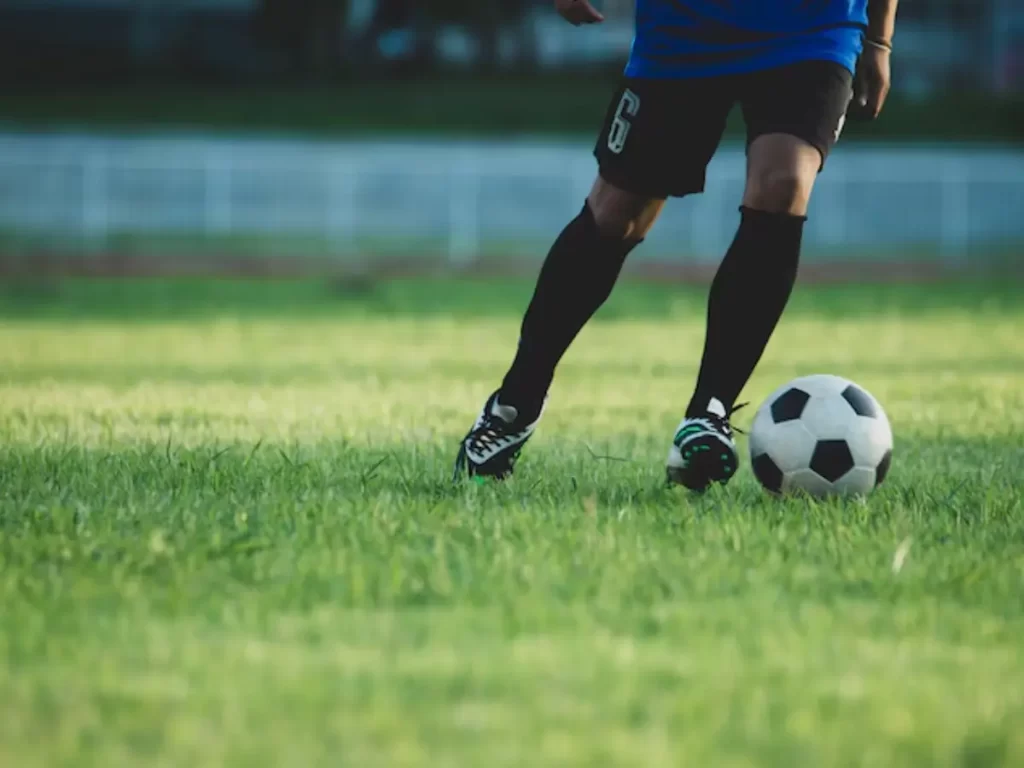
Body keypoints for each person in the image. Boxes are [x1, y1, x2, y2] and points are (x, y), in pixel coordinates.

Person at [453, 0, 898, 491]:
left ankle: (708, 413)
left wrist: (879, 40)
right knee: (617, 214)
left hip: (814, 26)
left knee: (784, 183)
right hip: (687, 23)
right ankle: (515, 403)